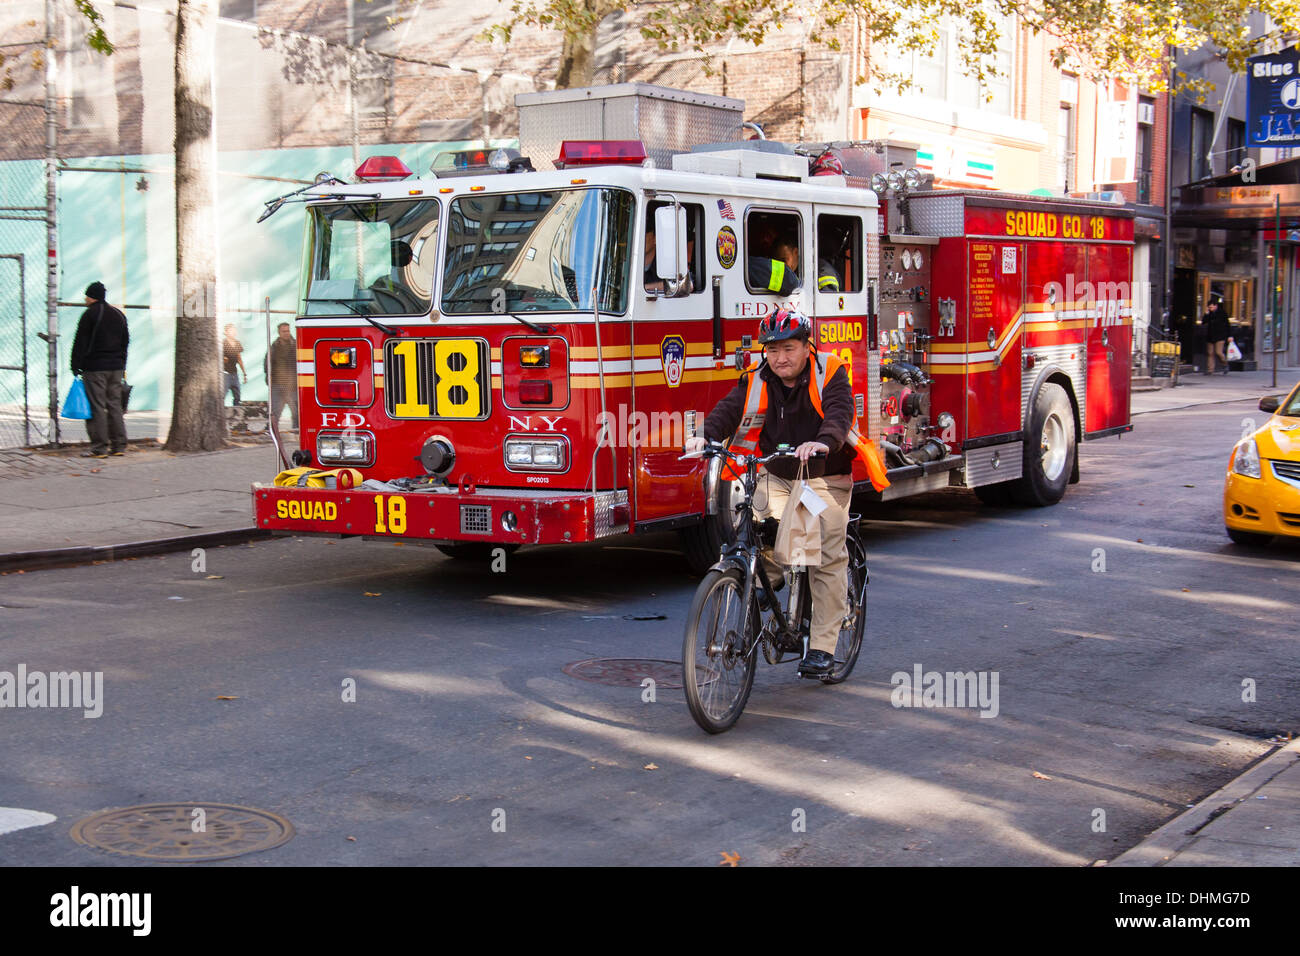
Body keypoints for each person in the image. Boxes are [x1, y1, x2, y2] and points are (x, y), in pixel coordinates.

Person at [684, 306, 888, 677]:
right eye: (772, 350)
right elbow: (729, 410)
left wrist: (824, 442)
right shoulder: (758, 377)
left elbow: (839, 413)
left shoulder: (830, 370)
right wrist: (706, 436)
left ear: (806, 346)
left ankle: (823, 647)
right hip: (777, 475)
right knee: (751, 518)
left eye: (788, 349)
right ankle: (769, 574)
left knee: (824, 550)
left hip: (825, 475)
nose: (780, 358)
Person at [70, 281, 129, 458]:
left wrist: (75, 365)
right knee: (114, 405)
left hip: (95, 368)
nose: (85, 299)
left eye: (86, 296)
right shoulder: (118, 314)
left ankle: (99, 447)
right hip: (116, 367)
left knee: (97, 406)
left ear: (92, 297)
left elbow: (80, 342)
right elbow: (125, 341)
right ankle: (119, 445)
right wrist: (122, 364)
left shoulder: (89, 315)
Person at [267, 322, 299, 431]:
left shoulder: (296, 345)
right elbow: (267, 363)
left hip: (292, 384)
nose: (286, 333)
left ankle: (297, 430)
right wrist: (269, 379)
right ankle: (272, 430)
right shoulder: (274, 347)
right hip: (277, 383)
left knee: (296, 411)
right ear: (279, 333)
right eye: (284, 331)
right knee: (275, 411)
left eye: (288, 331)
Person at [223, 324, 247, 405]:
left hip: (234, 373)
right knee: (222, 394)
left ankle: (236, 412)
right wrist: (223, 359)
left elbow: (239, 359)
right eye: (231, 330)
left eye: (234, 330)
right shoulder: (223, 343)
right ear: (226, 332)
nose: (233, 332)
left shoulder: (237, 343)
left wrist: (244, 374)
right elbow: (218, 358)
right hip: (225, 373)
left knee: (237, 395)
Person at [1204, 300, 1230, 375]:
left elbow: (1227, 325)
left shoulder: (1222, 313)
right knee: (1210, 353)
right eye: (1209, 307)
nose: (1210, 308)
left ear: (1216, 306)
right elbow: (1204, 322)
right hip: (1210, 336)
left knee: (1218, 352)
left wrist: (1229, 335)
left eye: (1211, 307)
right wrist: (1206, 314)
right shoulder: (1209, 314)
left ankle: (1225, 364)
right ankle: (1210, 370)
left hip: (1220, 336)